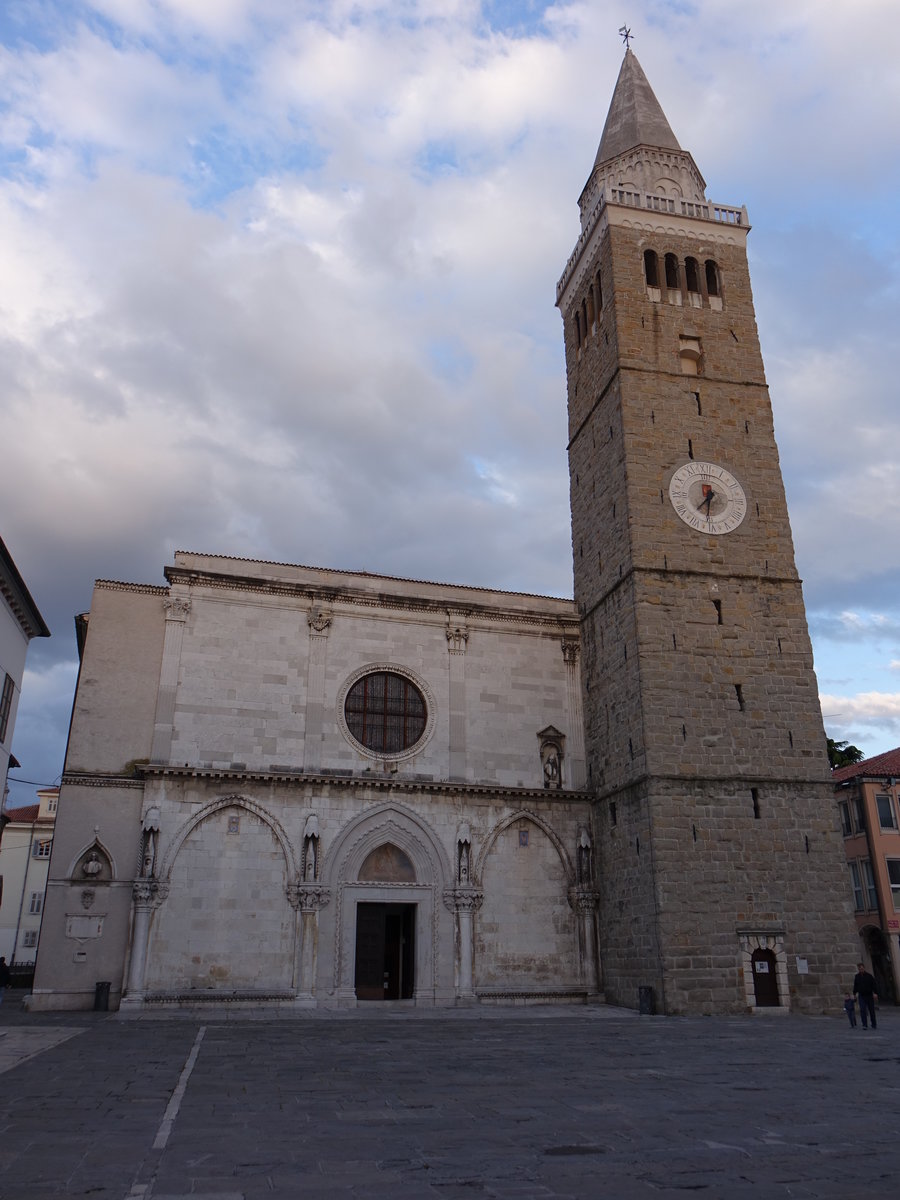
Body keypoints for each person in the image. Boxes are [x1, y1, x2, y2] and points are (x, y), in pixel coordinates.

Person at [853, 962, 878, 1029]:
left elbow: (874, 985)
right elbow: (855, 986)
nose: (861, 969)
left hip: (869, 995)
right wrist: (854, 994)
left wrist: (875, 993)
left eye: (862, 968)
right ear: (858, 969)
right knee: (862, 1010)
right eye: (859, 968)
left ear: (864, 968)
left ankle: (874, 1024)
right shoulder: (857, 976)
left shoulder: (869, 976)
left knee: (871, 1010)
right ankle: (864, 1024)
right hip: (861, 995)